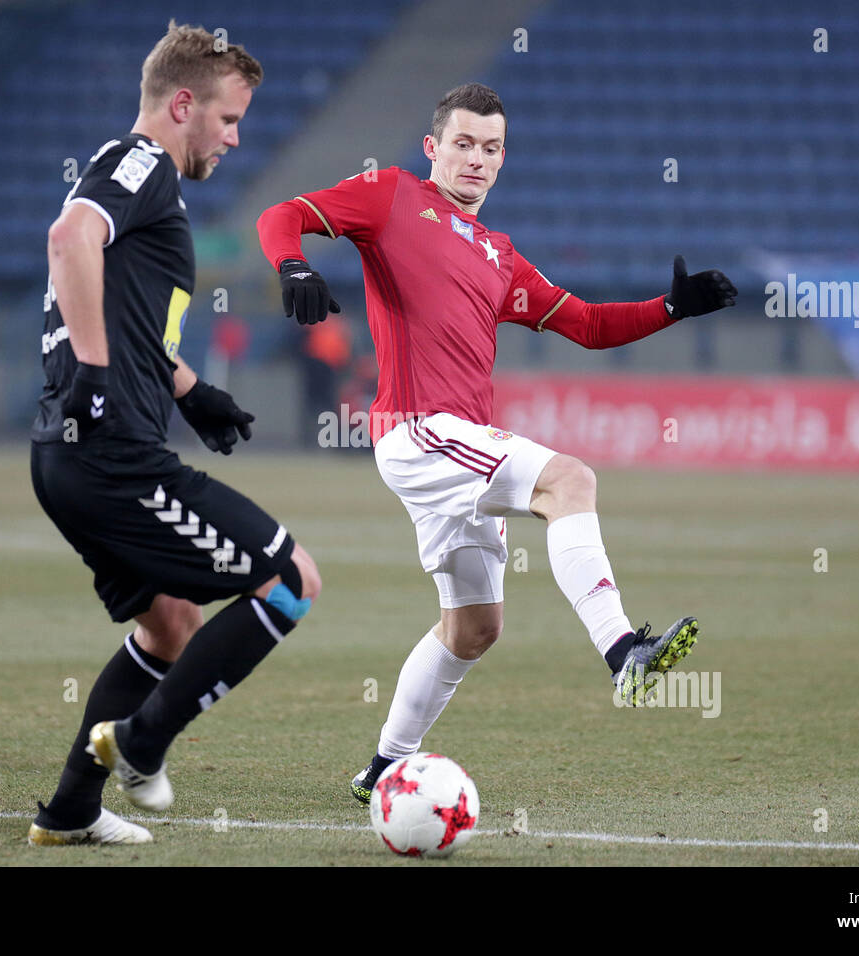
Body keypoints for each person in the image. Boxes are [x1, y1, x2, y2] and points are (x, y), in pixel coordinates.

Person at [256, 82, 737, 803]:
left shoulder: (499, 256)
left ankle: (386, 766)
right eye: (463, 144)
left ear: (502, 159)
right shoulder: (392, 196)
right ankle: (623, 651)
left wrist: (671, 308)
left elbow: (588, 324)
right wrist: (291, 265)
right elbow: (282, 214)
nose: (476, 159)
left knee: (475, 628)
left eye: (490, 148)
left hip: (455, 440)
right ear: (433, 148)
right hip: (421, 429)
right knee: (569, 480)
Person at [27, 21, 321, 846]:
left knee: (170, 625)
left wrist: (192, 391)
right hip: (112, 451)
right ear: (182, 103)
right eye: (228, 121)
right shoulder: (141, 163)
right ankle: (144, 741)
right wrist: (92, 370)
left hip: (67, 455)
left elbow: (132, 318)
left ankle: (71, 811)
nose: (233, 139)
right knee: (291, 578)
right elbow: (68, 239)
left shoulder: (142, 181)